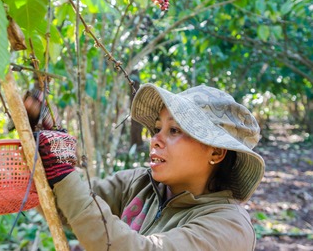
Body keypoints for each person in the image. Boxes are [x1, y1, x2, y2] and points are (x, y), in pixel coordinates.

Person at [29, 83, 265, 250]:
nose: (155, 139)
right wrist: (43, 145)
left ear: (215, 151)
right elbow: (69, 203)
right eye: (157, 129)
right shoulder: (138, 184)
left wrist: (62, 170)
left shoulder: (229, 228)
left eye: (174, 130)